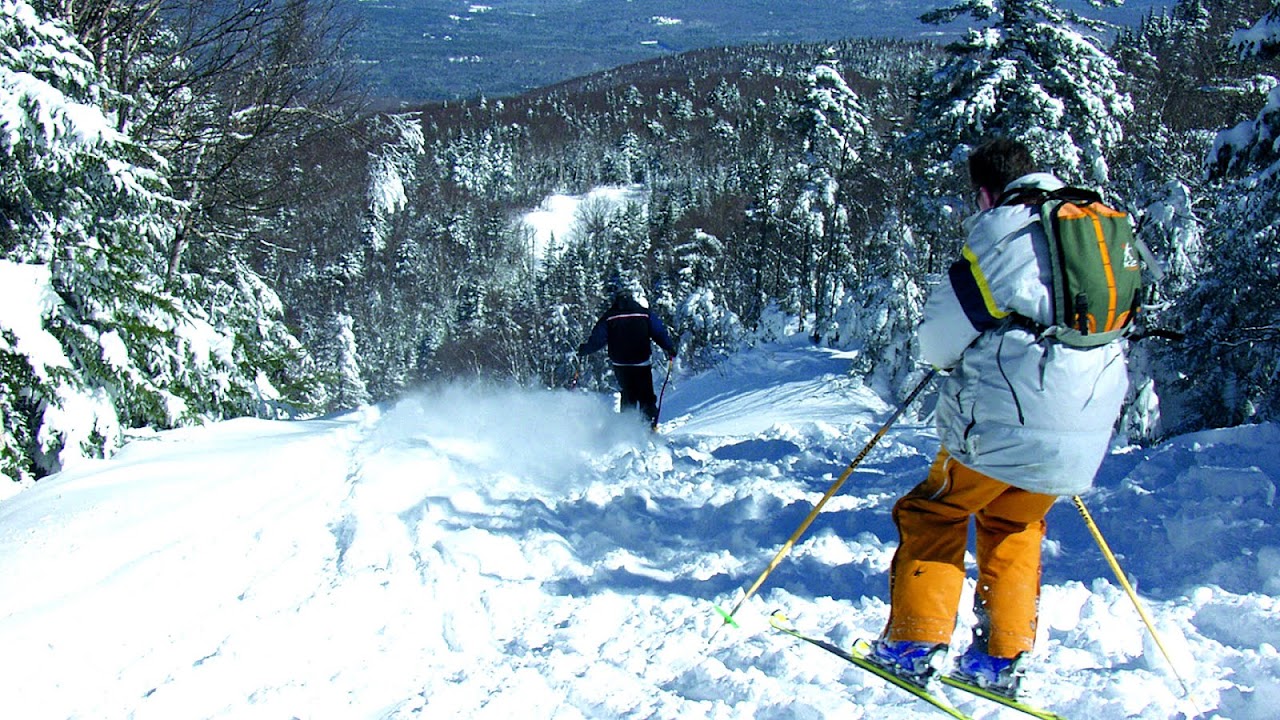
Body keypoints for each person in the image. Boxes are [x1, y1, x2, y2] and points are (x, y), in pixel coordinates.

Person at [868, 138, 1130, 696]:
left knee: (934, 511)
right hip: (1088, 418)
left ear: (987, 192)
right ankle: (999, 657)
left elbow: (939, 337)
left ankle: (914, 642)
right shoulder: (1093, 226)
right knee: (1015, 522)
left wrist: (946, 357)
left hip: (1005, 420)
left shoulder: (1001, 234)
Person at [577, 282, 678, 427]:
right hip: (641, 361)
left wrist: (584, 350)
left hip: (620, 363)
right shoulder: (644, 313)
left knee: (628, 394)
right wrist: (669, 348)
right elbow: (659, 333)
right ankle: (649, 427)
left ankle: (626, 430)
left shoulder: (610, 316)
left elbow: (597, 339)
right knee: (646, 395)